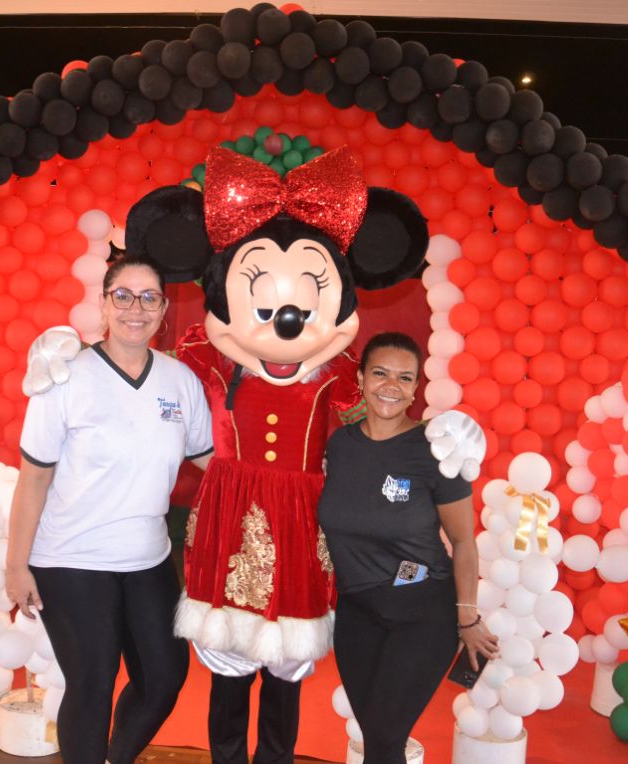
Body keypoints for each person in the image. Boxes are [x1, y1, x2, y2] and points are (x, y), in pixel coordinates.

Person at [119, 146, 487, 764]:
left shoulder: (340, 375)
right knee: (229, 670)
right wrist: (83, 357)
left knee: (285, 670)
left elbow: (386, 421)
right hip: (229, 519)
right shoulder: (207, 359)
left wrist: (448, 427)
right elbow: (148, 379)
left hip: (302, 525)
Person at [5, 254, 214, 764]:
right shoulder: (65, 379)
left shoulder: (180, 381)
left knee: (164, 678)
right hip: (70, 558)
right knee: (93, 682)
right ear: (103, 304)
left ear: (164, 309)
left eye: (149, 297)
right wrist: (15, 566)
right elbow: (34, 479)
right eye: (122, 295)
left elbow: (215, 462)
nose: (135, 309)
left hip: (147, 557)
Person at [317, 332, 500, 764]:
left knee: (384, 737)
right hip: (357, 611)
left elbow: (463, 541)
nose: (391, 386)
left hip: (423, 611)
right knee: (378, 739)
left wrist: (468, 618)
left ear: (416, 387)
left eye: (404, 378)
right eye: (380, 373)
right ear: (361, 379)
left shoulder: (435, 453)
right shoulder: (340, 446)